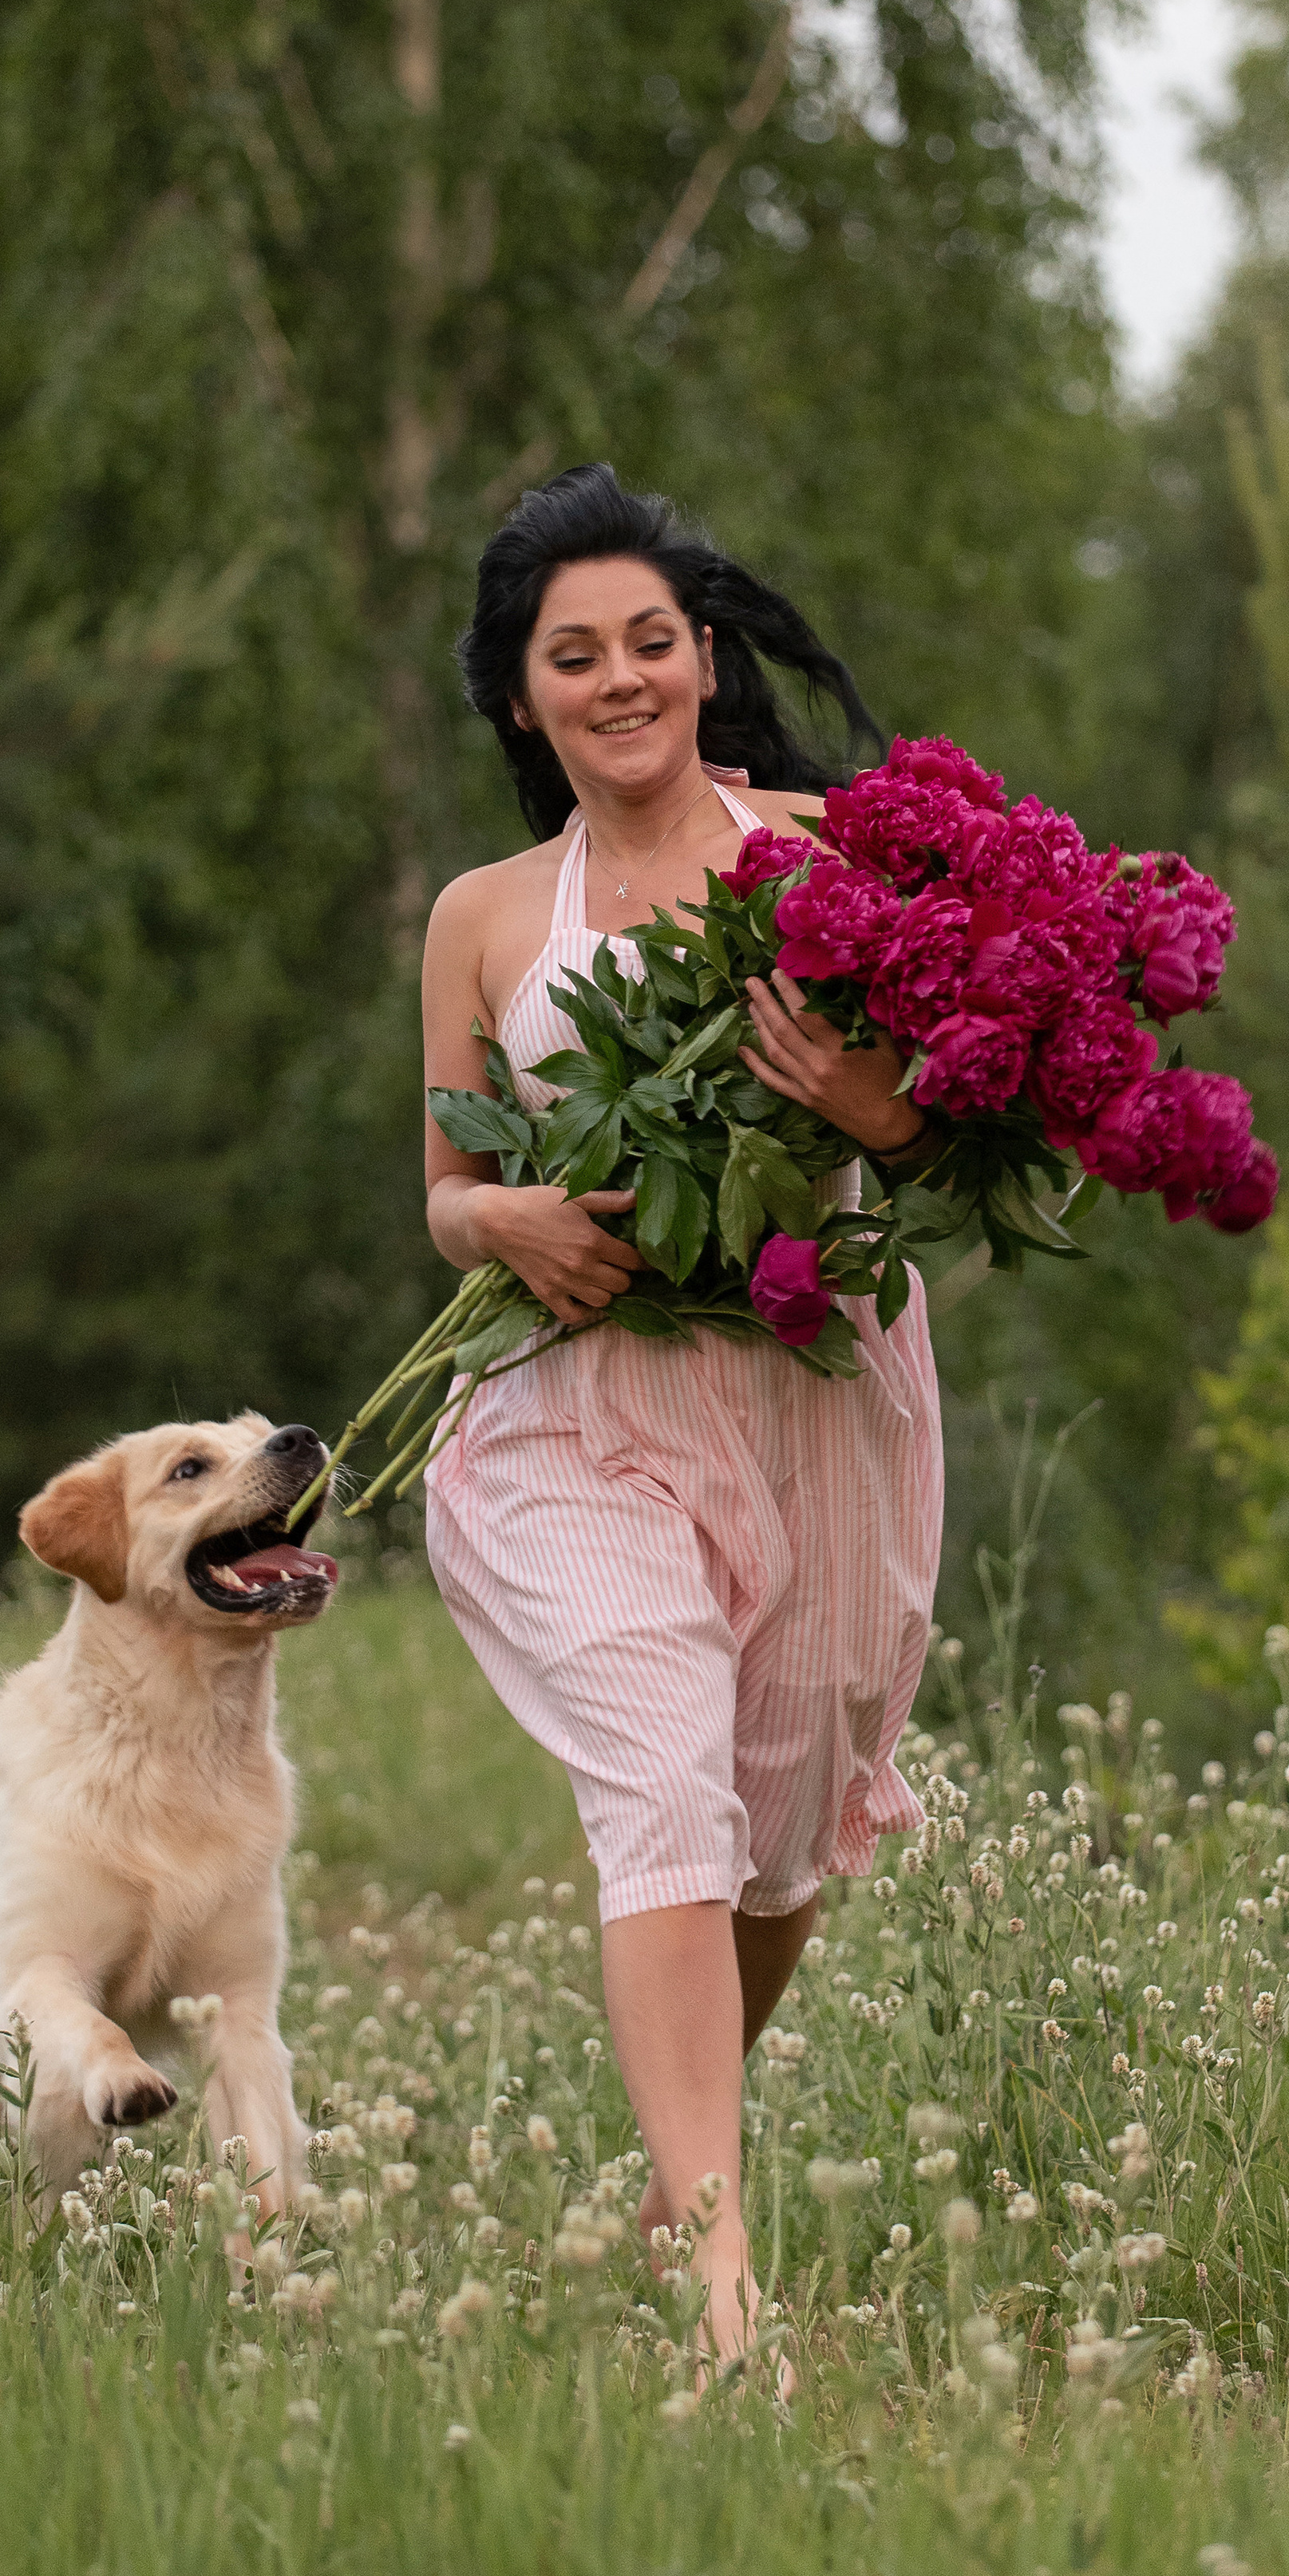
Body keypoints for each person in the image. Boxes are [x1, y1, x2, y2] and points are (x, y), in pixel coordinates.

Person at [420, 463, 945, 2373]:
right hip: (577, 1412)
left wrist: (880, 1116)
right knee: (660, 1782)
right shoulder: (482, 916)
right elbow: (440, 1190)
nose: (621, 678)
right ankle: (725, 2294)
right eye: (575, 656)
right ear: (520, 698)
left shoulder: (829, 853)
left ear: (701, 657)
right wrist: (508, 1212)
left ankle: (673, 2175)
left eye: (651, 641)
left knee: (779, 1839)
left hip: (815, 1400)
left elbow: (967, 1127)